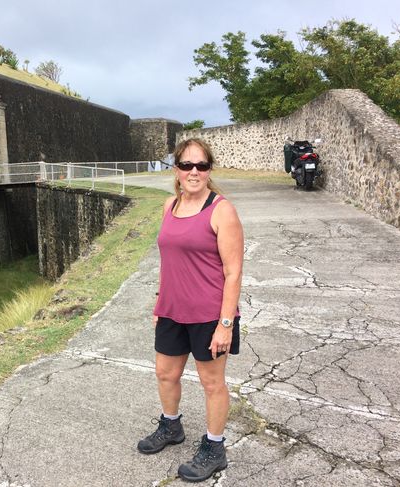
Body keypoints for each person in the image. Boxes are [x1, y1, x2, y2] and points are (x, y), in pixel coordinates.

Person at [137, 138, 244, 483]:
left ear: (209, 169)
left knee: (212, 382)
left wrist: (225, 324)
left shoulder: (221, 210)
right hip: (171, 310)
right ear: (177, 170)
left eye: (201, 165)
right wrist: (159, 300)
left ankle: (215, 448)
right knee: (165, 373)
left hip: (210, 315)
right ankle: (171, 426)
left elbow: (233, 272)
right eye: (186, 165)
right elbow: (169, 259)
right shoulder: (170, 205)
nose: (194, 172)